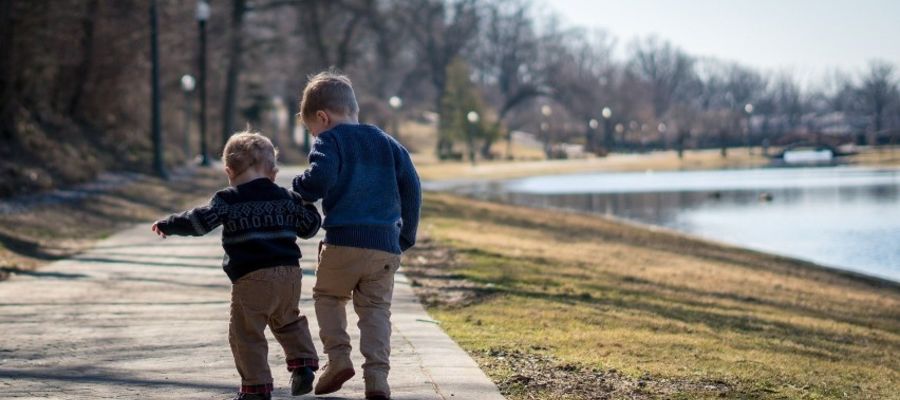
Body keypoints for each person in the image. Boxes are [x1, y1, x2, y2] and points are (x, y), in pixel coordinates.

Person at [152, 131, 322, 400]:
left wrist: (169, 224)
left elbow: (199, 223)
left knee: (246, 333)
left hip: (252, 277)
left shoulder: (227, 199)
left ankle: (256, 387)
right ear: (273, 172)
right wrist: (308, 204)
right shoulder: (286, 197)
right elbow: (310, 228)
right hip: (290, 274)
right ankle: (303, 364)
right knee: (288, 320)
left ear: (229, 171)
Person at [292, 71, 421, 400]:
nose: (314, 135)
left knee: (328, 297)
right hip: (385, 246)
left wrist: (299, 187)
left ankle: (338, 359)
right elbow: (412, 187)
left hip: (343, 242)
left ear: (323, 117)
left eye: (312, 130)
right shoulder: (387, 142)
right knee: (376, 310)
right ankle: (377, 378)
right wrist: (405, 235)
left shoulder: (330, 140)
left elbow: (318, 181)